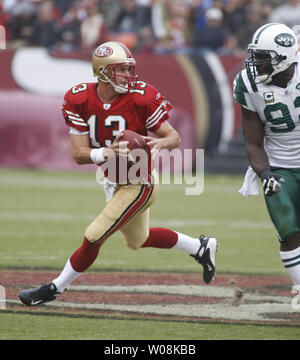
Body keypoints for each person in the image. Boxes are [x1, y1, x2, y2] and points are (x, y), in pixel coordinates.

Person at [18, 41, 217, 306]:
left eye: (127, 69)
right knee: (139, 240)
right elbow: (79, 154)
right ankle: (200, 247)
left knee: (93, 235)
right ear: (102, 72)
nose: (127, 75)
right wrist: (106, 153)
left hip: (139, 182)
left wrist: (162, 142)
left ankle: (54, 288)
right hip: (112, 179)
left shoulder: (142, 96)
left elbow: (173, 136)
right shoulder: (79, 98)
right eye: (120, 69)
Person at [233, 23, 300, 286]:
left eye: (262, 58)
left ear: (283, 59)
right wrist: (265, 173)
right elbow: (253, 141)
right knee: (288, 231)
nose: (255, 64)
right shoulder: (248, 84)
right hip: (280, 166)